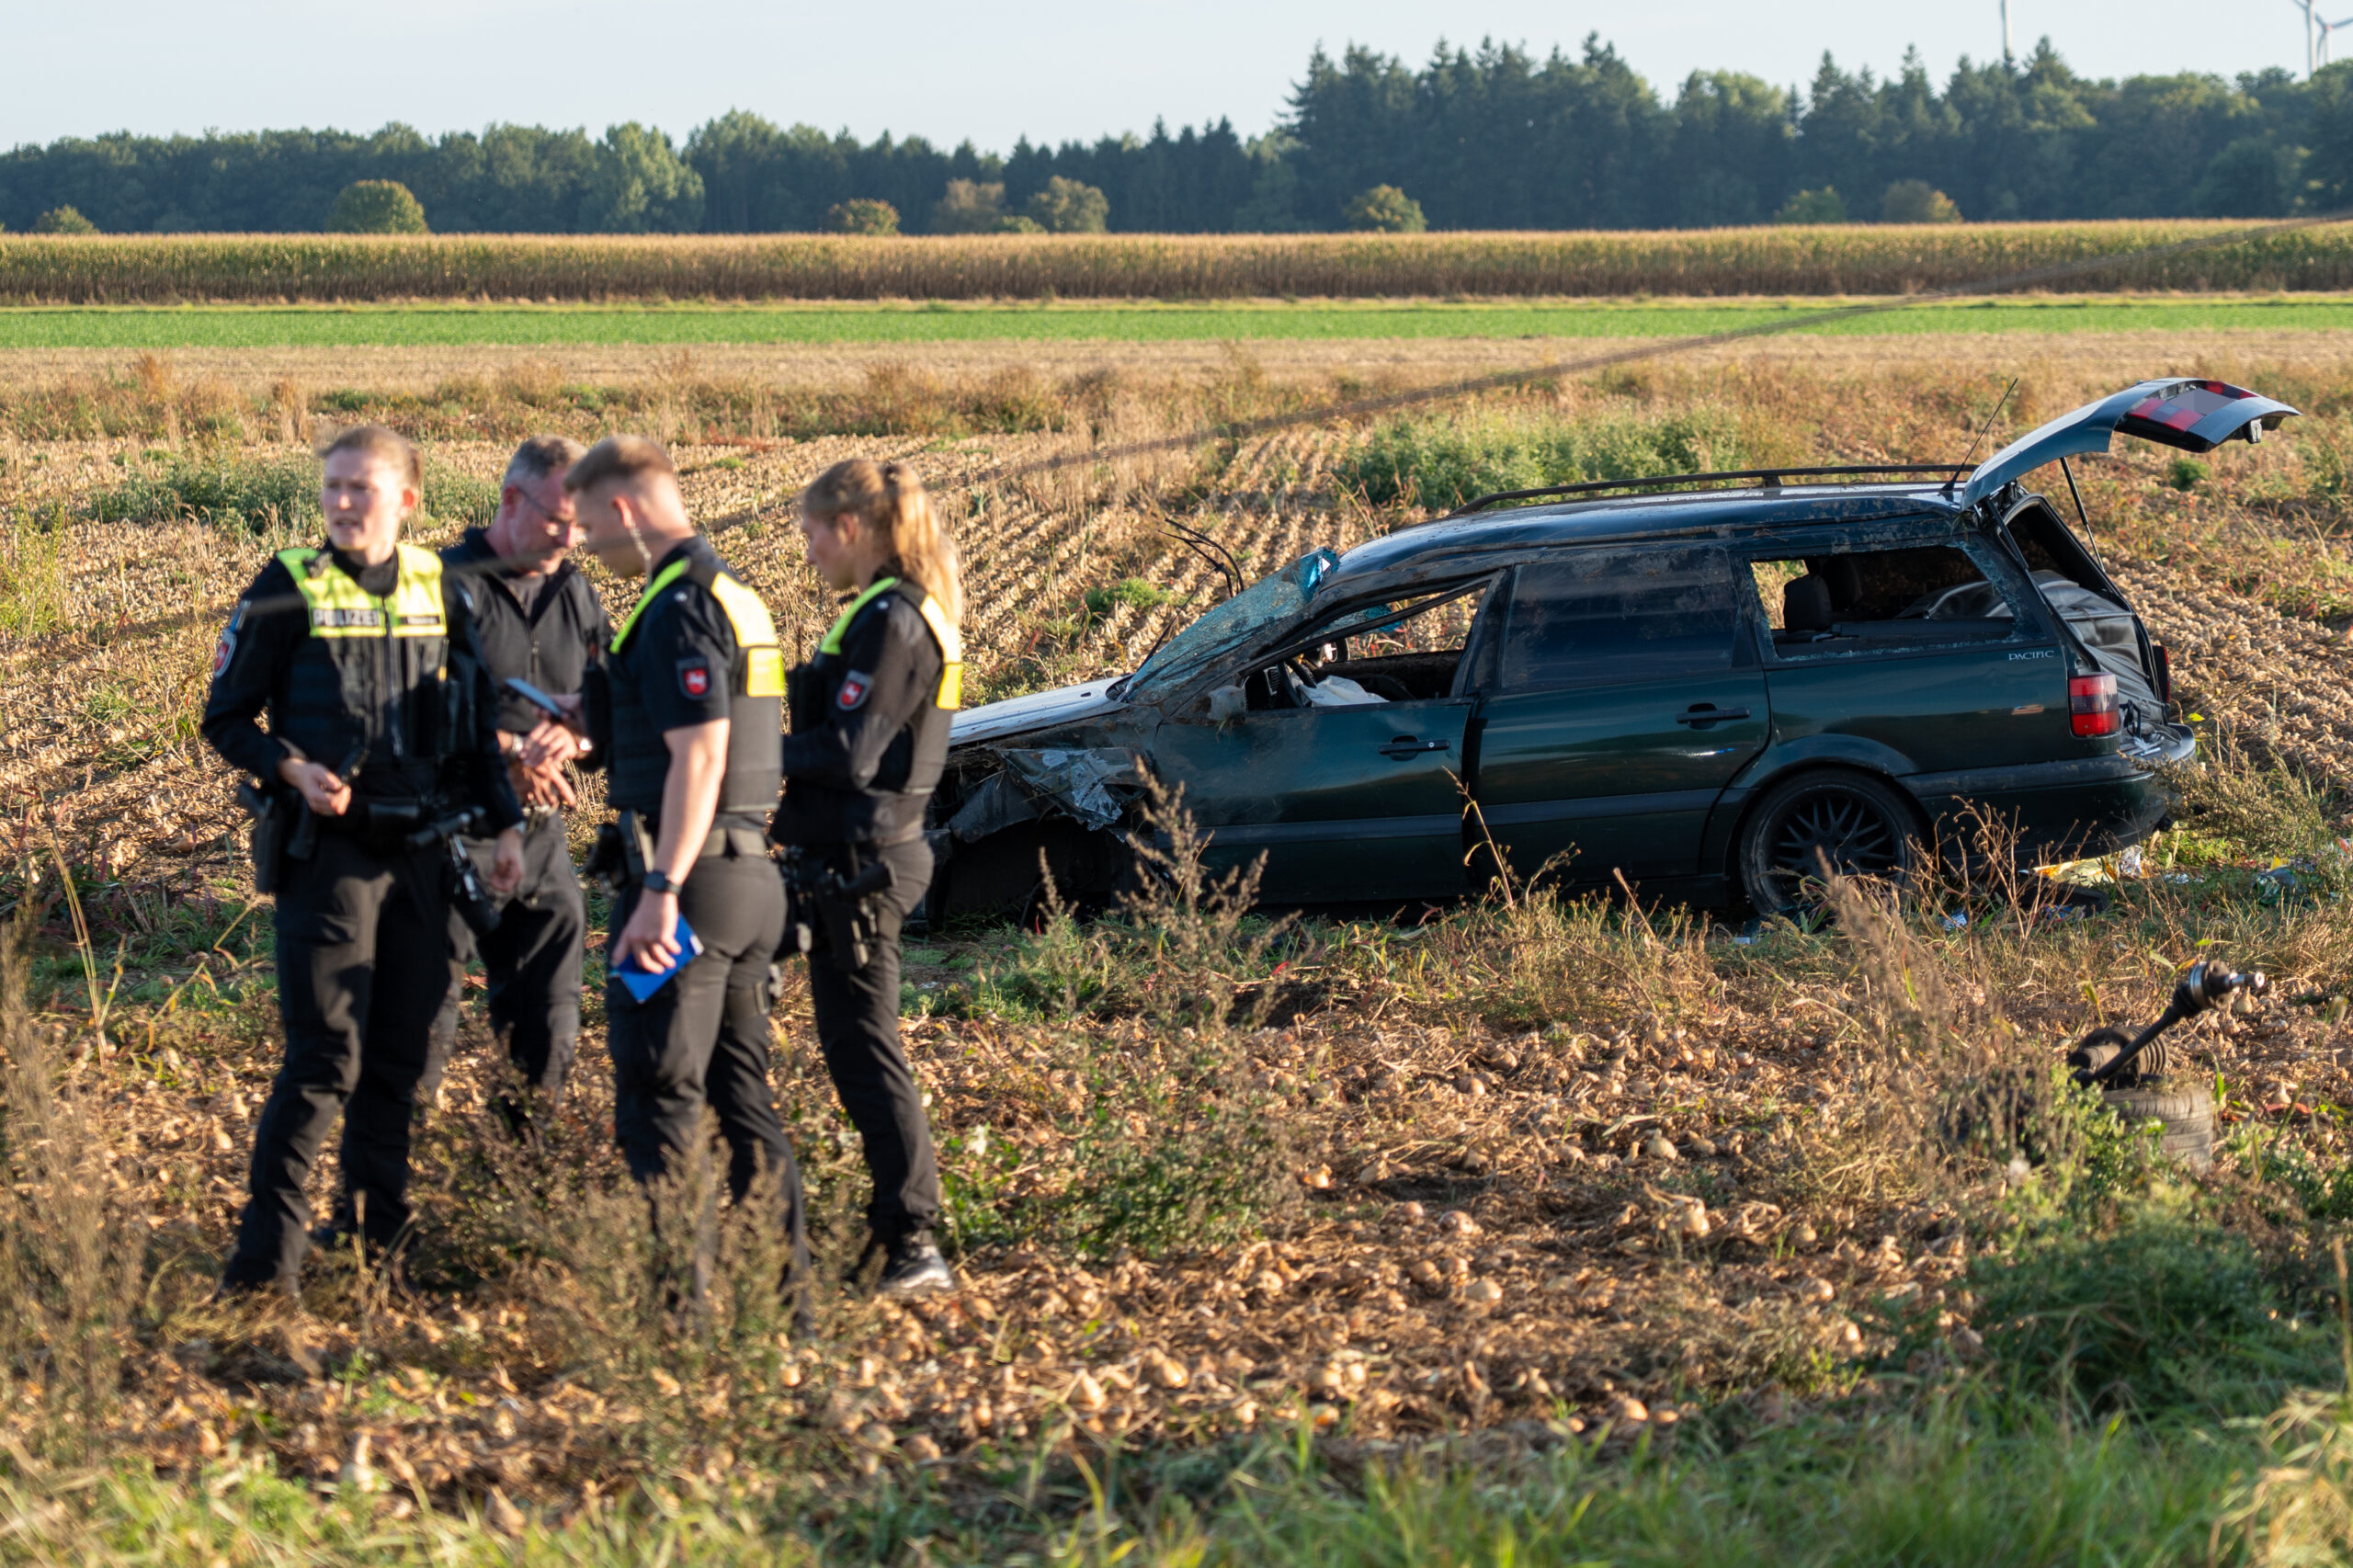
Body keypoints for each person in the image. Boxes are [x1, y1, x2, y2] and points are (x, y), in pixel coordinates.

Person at [202, 424, 524, 1293]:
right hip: (330, 856)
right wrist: (288, 767)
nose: (343, 504)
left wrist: (505, 829)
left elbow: (477, 726)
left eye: (361, 489)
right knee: (323, 1059)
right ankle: (264, 1273)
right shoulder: (287, 585)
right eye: (333, 488)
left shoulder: (441, 588)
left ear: (407, 502)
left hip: (423, 854)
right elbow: (226, 719)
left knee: (400, 1062)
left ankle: (379, 1252)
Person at [567, 435, 807, 1279]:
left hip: (691, 889)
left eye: (590, 523)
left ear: (625, 510)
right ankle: (788, 1307)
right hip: (748, 882)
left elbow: (701, 753)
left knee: (658, 1096)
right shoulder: (731, 593)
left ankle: (683, 1321)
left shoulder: (677, 606)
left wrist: (660, 888)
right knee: (741, 1099)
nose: (586, 543)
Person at [775, 459, 962, 1298]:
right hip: (857, 855)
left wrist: (737, 756)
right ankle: (892, 1231)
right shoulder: (886, 611)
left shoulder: (893, 622)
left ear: (852, 527)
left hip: (867, 861)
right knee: (856, 1048)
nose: (808, 549)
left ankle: (913, 1240)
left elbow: (852, 754)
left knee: (866, 1052)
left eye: (813, 531)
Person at [420, 436, 608, 1123]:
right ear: (509, 500)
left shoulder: (576, 592)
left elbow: (608, 697)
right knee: (421, 1028)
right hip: (449, 835)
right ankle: (396, 1202)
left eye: (580, 524)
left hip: (540, 841)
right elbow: (408, 710)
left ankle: (514, 1182)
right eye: (559, 520)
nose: (570, 537)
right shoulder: (442, 587)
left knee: (550, 1029)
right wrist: (508, 748)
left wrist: (579, 734)